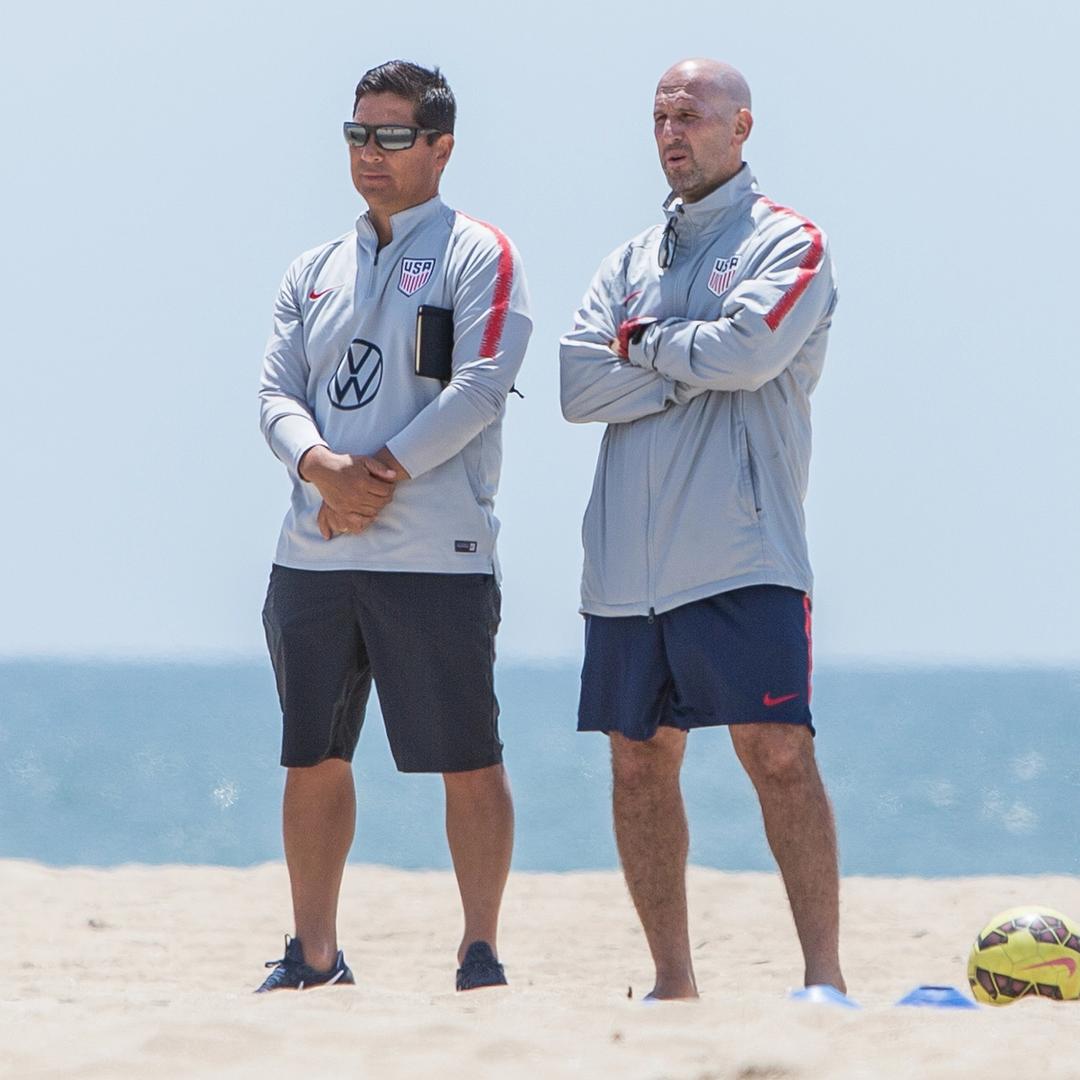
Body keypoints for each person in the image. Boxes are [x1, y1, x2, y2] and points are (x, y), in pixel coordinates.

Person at [559, 58, 845, 1001]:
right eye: (659, 116)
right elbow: (573, 385)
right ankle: (673, 985)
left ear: (742, 127)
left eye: (690, 114)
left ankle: (823, 979)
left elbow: (754, 351)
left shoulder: (790, 240)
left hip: (743, 553)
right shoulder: (628, 259)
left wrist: (641, 345)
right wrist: (693, 359)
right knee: (639, 765)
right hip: (625, 570)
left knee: (777, 756)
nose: (671, 132)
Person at [256, 60, 531, 993]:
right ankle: (314, 954)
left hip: (438, 558)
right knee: (313, 755)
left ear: (441, 147)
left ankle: (480, 949)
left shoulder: (477, 252)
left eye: (391, 136)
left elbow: (481, 388)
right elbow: (275, 393)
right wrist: (319, 469)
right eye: (357, 135)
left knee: (468, 758)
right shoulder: (313, 267)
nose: (369, 154)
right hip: (314, 554)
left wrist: (378, 477)